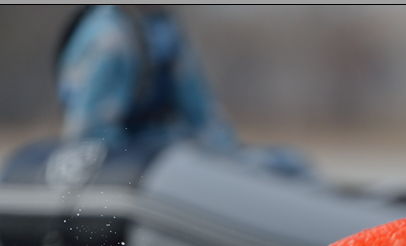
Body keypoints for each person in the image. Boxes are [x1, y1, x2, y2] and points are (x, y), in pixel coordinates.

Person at [55, 5, 310, 177]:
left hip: (171, 154)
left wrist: (231, 161)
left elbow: (205, 119)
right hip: (134, 164)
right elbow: (89, 137)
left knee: (288, 163)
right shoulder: (111, 39)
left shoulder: (165, 30)